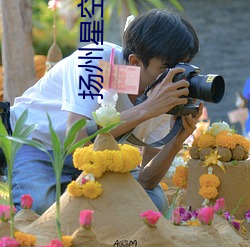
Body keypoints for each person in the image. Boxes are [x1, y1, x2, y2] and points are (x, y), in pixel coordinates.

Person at [6, 9, 202, 215]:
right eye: (167, 68)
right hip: (37, 144)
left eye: (182, 66)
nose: (176, 76)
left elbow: (146, 180)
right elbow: (76, 139)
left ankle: (70, 199)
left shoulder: (164, 90)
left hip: (96, 157)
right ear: (135, 62)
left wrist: (176, 140)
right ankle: (65, 197)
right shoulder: (94, 60)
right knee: (39, 208)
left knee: (152, 202)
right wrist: (147, 108)